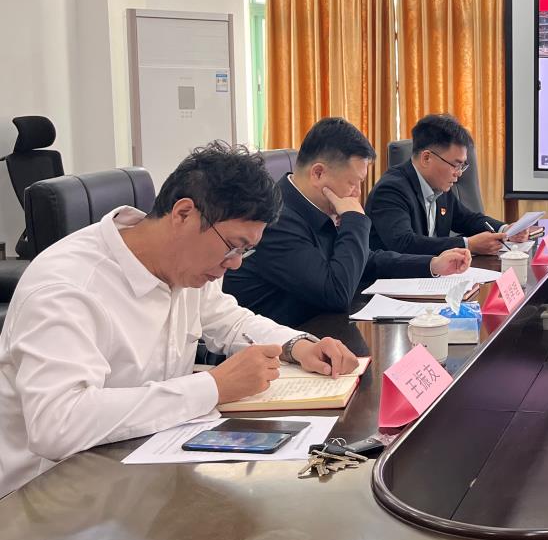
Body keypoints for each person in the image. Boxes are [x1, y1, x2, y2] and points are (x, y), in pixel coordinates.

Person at [0, 142, 360, 499]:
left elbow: (228, 319)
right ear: (184, 214)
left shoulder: (183, 265)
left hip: (144, 467)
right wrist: (213, 387)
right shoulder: (68, 287)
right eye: (233, 245)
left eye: (246, 251)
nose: (236, 263)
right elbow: (57, 425)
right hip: (47, 498)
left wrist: (296, 345)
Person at [223, 118, 471, 327]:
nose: (357, 194)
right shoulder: (277, 219)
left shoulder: (315, 205)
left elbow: (367, 261)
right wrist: (355, 220)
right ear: (318, 173)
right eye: (353, 183)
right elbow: (335, 293)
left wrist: (432, 264)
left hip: (316, 332)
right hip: (274, 347)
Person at [368, 113, 529, 257]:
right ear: (426, 158)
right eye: (455, 165)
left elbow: (467, 219)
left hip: (432, 273)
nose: (459, 173)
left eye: (462, 166)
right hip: (393, 278)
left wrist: (505, 230)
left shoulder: (438, 186)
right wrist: (468, 245)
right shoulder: (391, 190)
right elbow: (404, 243)